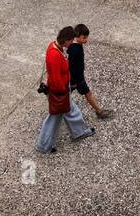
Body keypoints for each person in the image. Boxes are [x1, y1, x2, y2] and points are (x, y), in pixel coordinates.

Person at [36, 26, 95, 154]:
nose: (72, 43)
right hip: (59, 91)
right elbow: (56, 78)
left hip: (60, 89)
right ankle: (43, 146)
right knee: (54, 118)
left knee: (71, 111)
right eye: (71, 40)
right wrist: (64, 90)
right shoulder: (55, 55)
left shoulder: (54, 47)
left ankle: (79, 132)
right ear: (66, 40)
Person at [67, 24, 113, 120]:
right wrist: (74, 81)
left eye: (86, 37)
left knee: (83, 93)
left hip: (78, 77)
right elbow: (72, 67)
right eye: (84, 37)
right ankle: (99, 111)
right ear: (77, 36)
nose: (86, 40)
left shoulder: (75, 46)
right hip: (77, 79)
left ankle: (99, 110)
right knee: (87, 93)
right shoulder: (75, 49)